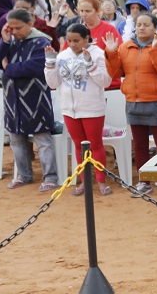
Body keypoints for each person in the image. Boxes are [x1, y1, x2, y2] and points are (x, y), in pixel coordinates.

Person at [0, 9, 59, 191]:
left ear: (30, 24)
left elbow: (32, 67)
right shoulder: (9, 41)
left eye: (18, 28)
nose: (14, 31)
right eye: (11, 28)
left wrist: (8, 68)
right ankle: (24, 175)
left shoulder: (41, 42)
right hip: (12, 101)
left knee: (42, 140)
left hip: (37, 100)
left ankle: (50, 177)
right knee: (16, 140)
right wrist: (3, 41)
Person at [103, 13, 157, 196]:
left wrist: (156, 49)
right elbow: (116, 72)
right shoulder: (125, 47)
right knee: (139, 145)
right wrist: (111, 53)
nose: (141, 27)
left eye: (146, 25)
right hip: (133, 101)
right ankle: (145, 182)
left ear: (155, 28)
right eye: (139, 24)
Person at [44, 22, 113, 196]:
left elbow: (105, 81)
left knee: (95, 145)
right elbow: (53, 84)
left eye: (76, 40)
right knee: (78, 146)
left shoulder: (98, 54)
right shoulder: (63, 56)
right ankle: (84, 182)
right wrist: (50, 64)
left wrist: (91, 65)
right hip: (69, 109)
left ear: (86, 39)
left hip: (92, 108)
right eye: (69, 41)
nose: (72, 44)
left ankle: (101, 181)